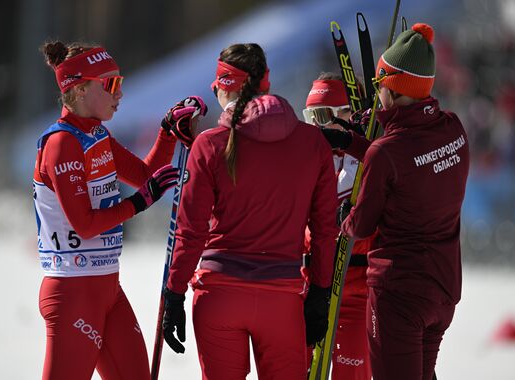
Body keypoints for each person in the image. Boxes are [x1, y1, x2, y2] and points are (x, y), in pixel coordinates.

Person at [161, 43, 338, 380]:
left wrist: (175, 291)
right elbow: (324, 229)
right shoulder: (313, 143)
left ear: (226, 86)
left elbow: (191, 229)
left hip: (219, 296)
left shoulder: (210, 143)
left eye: (216, 86)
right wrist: (320, 292)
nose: (214, 92)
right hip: (282, 300)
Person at [34, 41, 206, 380]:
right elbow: (84, 224)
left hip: (108, 289)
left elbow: (145, 177)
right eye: (111, 84)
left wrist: (167, 130)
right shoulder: (62, 143)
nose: (120, 93)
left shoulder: (96, 134)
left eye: (120, 82)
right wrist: (137, 204)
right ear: (81, 89)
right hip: (73, 293)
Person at [326, 23, 470, 380]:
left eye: (379, 85)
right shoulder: (453, 128)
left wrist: (344, 216)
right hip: (444, 288)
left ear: (392, 86)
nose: (377, 95)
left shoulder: (387, 153)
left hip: (399, 294)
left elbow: (361, 226)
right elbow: (406, 160)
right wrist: (350, 142)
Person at [303, 73, 373, 380]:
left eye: (326, 115)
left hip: (357, 291)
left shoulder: (375, 155)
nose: (319, 125)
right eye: (312, 115)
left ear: (350, 113)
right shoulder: (307, 159)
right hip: (310, 290)